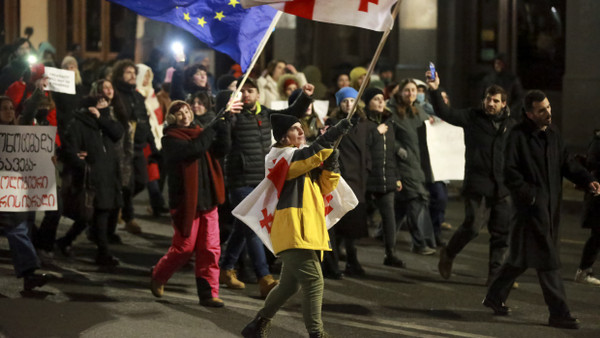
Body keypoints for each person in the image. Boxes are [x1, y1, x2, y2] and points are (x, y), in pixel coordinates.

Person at [483, 90, 600, 329]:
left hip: (550, 208)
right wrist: (531, 196)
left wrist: (587, 179)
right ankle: (559, 312)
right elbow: (509, 172)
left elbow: (566, 163)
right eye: (541, 110)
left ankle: (494, 296)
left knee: (519, 257)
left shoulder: (554, 135)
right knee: (548, 261)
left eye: (548, 107)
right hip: (530, 210)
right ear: (529, 113)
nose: (548, 113)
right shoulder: (517, 137)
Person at [241, 114, 352, 338]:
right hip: (292, 228)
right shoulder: (278, 157)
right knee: (314, 280)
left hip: (306, 226)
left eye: (301, 128)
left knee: (289, 286)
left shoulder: (302, 157)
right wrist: (331, 135)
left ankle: (257, 325)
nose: (301, 132)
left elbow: (325, 188)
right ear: (283, 137)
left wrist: (332, 164)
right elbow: (304, 160)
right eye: (295, 129)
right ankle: (317, 333)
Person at [219, 78, 314, 297]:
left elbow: (291, 113)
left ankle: (225, 268)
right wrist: (226, 112)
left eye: (250, 91)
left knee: (242, 227)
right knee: (252, 226)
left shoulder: (266, 115)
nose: (245, 95)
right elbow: (222, 137)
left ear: (258, 94)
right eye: (241, 92)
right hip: (239, 180)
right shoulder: (233, 115)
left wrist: (305, 97)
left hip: (262, 180)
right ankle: (264, 277)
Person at [150, 96, 239, 307]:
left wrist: (224, 124)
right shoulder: (170, 139)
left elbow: (221, 149)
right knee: (184, 248)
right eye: (179, 112)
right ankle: (159, 275)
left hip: (208, 199)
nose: (185, 115)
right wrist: (214, 125)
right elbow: (195, 149)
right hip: (185, 203)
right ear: (172, 117)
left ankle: (209, 293)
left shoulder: (201, 132)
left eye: (187, 111)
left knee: (210, 248)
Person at [429, 71, 516, 283]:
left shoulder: (511, 126)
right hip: (477, 184)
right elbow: (446, 112)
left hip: (502, 187)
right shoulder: (473, 117)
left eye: (496, 101)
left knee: (501, 234)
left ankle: (495, 277)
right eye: (488, 99)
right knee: (473, 227)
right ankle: (448, 253)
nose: (491, 103)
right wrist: (435, 90)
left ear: (504, 104)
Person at [60, 95, 125, 266]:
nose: (105, 106)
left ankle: (64, 241)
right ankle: (103, 254)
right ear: (90, 107)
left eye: (106, 103)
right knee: (94, 215)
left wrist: (101, 118)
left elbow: (118, 132)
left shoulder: (105, 124)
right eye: (101, 103)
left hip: (108, 177)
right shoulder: (78, 124)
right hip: (89, 179)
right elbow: (69, 150)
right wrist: (82, 163)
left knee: (93, 216)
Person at [0, 95, 49, 291]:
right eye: (3, 108)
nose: (9, 111)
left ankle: (30, 274)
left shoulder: (19, 134)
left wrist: (38, 93)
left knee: (18, 230)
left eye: (11, 107)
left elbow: (28, 116)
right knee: (17, 230)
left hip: (12, 192)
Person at [388, 79, 436, 255]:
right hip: (404, 165)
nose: (411, 94)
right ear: (400, 92)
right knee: (416, 200)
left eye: (414, 90)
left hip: (418, 163)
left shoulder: (418, 111)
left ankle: (384, 232)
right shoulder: (392, 113)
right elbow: (386, 134)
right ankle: (419, 243)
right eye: (407, 90)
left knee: (402, 205)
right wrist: (399, 149)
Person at [326, 87, 371, 276]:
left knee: (353, 226)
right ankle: (336, 263)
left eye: (352, 101)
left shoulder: (363, 124)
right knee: (338, 225)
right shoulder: (334, 123)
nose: (348, 104)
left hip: (359, 179)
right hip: (342, 179)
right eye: (345, 101)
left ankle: (351, 260)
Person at [363, 87, 405, 268]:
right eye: (376, 99)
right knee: (354, 215)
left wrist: (396, 177)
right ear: (367, 102)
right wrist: (375, 133)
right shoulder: (362, 121)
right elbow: (360, 147)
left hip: (386, 176)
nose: (381, 102)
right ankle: (342, 251)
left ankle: (391, 253)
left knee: (389, 217)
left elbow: (390, 153)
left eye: (383, 99)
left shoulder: (389, 122)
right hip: (366, 177)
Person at [112, 59, 155, 234]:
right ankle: (128, 218)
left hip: (138, 146)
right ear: (120, 74)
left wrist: (153, 144)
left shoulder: (137, 96)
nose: (132, 76)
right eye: (128, 72)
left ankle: (120, 206)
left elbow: (145, 121)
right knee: (126, 184)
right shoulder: (115, 94)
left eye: (133, 73)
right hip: (122, 147)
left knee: (141, 181)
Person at [574, 129, 600, 286]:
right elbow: (592, 164)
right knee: (597, 235)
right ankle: (584, 270)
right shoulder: (598, 142)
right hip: (598, 195)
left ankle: (584, 270)